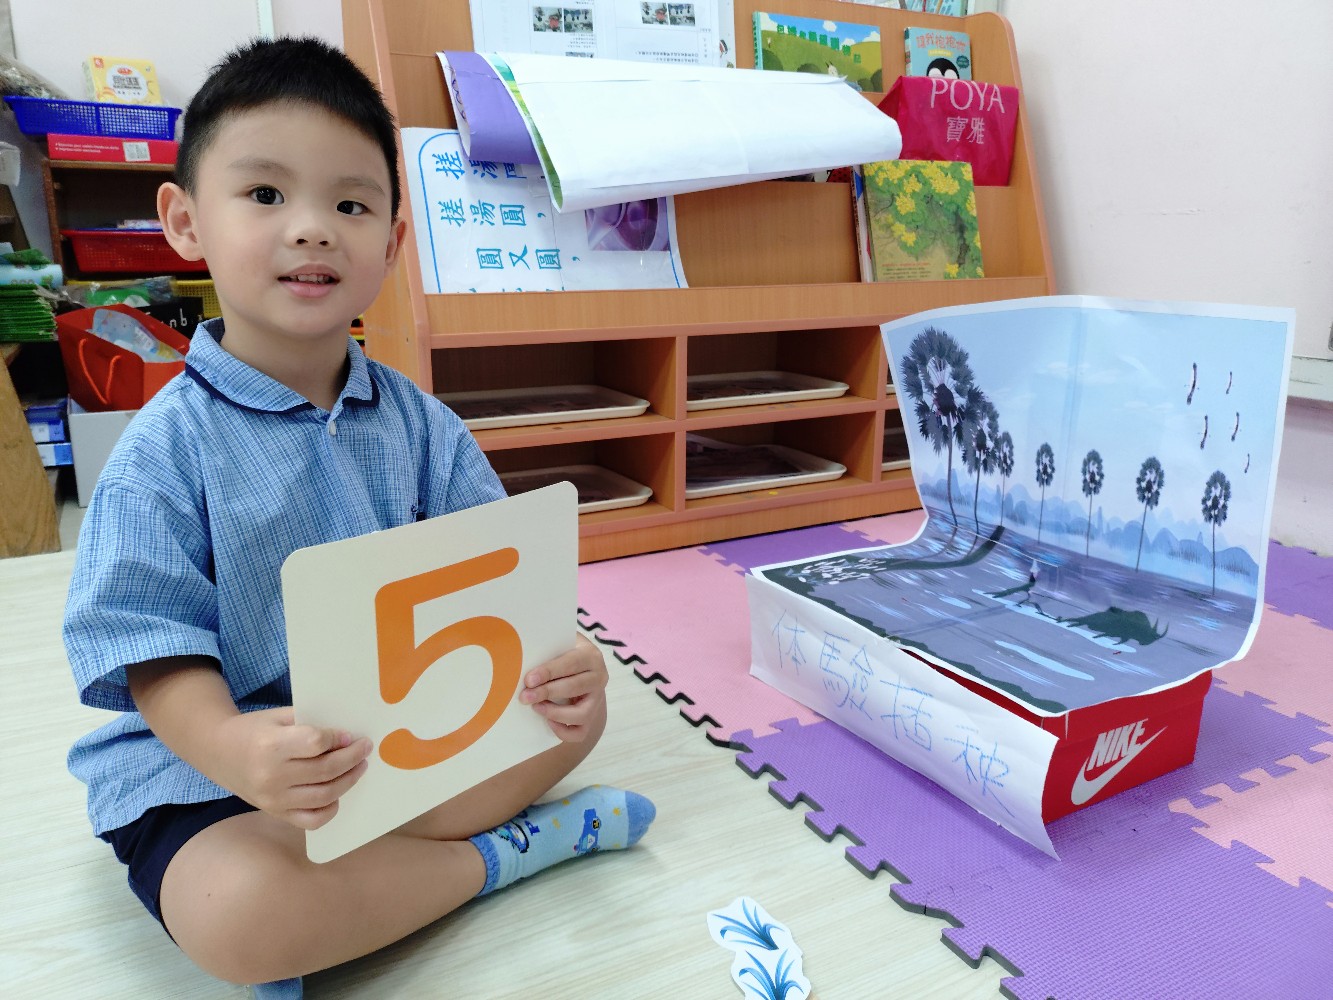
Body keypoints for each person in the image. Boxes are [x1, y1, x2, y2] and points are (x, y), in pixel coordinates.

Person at [63, 36, 654, 990]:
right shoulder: (161, 453)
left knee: (574, 722)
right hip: (218, 767)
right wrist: (238, 751)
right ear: (184, 222)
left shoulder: (424, 427)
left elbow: (498, 590)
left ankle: (383, 882)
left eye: (350, 204)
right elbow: (154, 655)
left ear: (392, 241)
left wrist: (559, 663)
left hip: (399, 739)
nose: (312, 230)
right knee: (238, 915)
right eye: (265, 194)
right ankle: (501, 854)